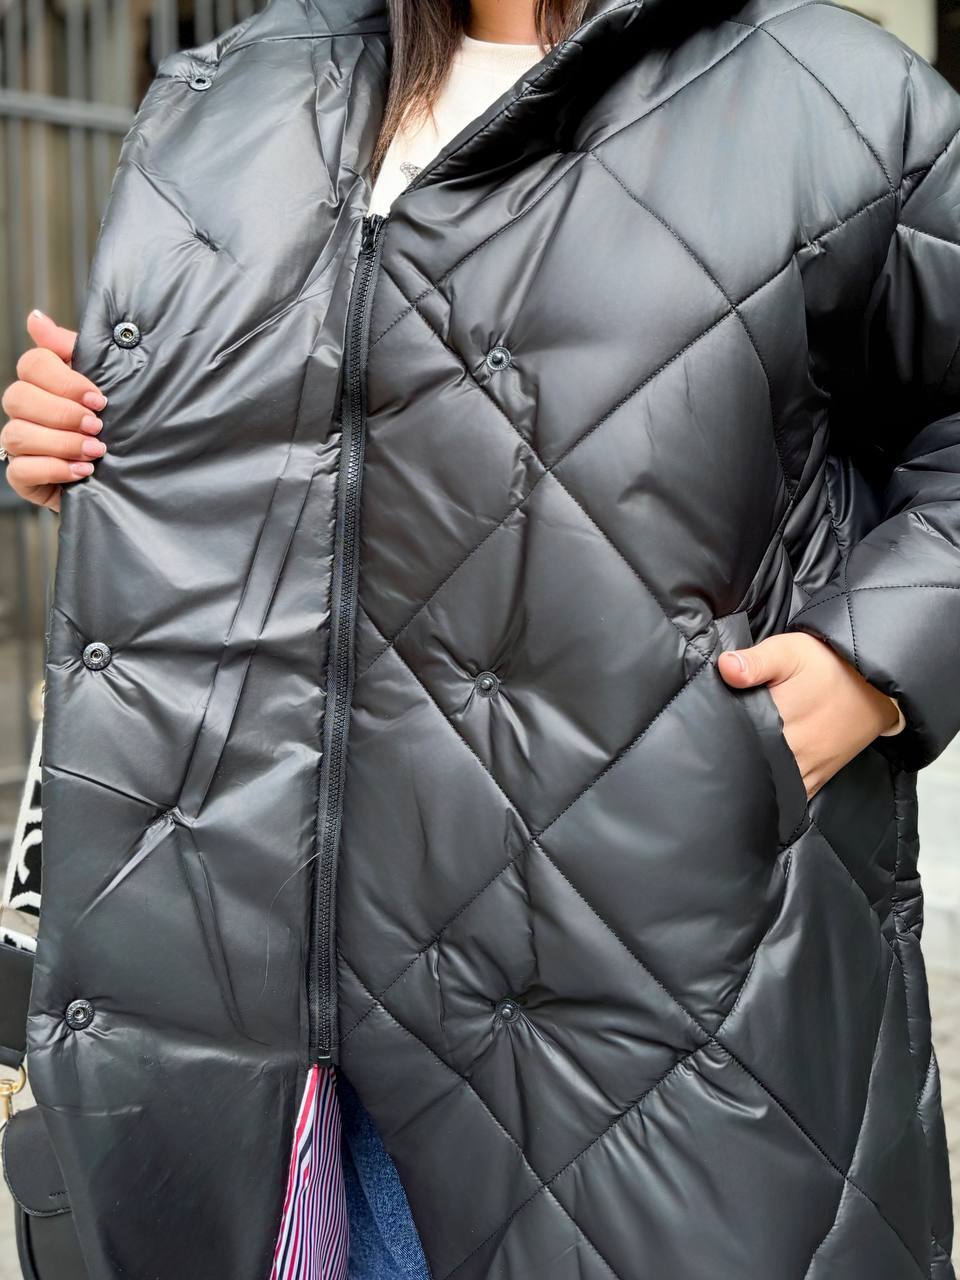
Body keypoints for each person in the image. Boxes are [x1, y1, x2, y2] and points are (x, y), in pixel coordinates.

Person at [1, 0, 959, 1277]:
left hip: (649, 1002)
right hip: (252, 1025)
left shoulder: (825, 94)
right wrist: (92, 442)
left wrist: (870, 665)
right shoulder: (231, 91)